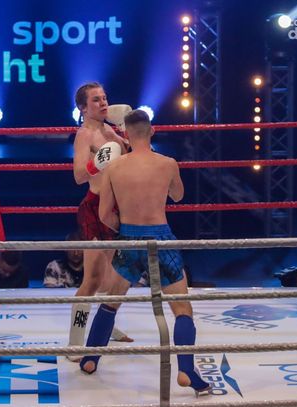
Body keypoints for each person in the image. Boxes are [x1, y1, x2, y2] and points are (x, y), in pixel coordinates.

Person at [79, 109, 210, 395]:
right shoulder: (168, 163)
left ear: (125, 134)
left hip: (129, 238)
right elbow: (178, 196)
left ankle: (90, 358)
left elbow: (104, 215)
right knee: (182, 308)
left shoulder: (114, 168)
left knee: (111, 301)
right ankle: (186, 370)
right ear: (152, 131)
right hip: (161, 238)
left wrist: (126, 229)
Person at [68, 82, 133, 357]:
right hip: (96, 208)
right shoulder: (84, 135)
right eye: (96, 99)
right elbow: (78, 176)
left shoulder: (111, 130)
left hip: (118, 207)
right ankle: (75, 339)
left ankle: (107, 325)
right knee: (92, 280)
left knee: (116, 278)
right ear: (83, 108)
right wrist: (98, 161)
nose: (103, 102)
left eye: (105, 97)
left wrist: (128, 133)